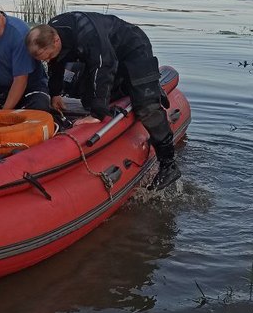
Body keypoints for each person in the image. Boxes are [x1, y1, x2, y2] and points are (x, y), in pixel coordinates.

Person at [25, 12, 181, 190]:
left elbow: (103, 67)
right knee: (87, 97)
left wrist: (97, 114)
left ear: (56, 41)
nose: (46, 60)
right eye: (41, 59)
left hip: (132, 47)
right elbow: (56, 63)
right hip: (107, 53)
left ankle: (168, 165)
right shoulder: (53, 32)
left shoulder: (88, 36)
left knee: (146, 107)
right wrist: (55, 94)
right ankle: (135, 86)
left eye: (46, 55)